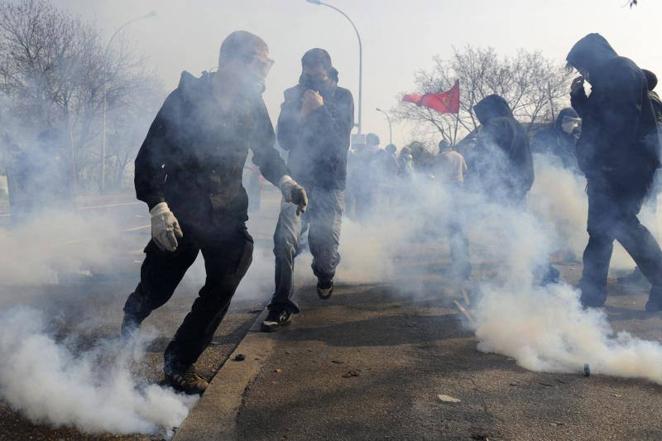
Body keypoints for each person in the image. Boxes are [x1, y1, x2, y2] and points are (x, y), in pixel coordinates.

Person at [120, 31, 308, 394]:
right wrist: (157, 206)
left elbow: (266, 151)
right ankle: (134, 312)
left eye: (267, 63)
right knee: (157, 288)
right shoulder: (185, 98)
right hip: (181, 212)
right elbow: (149, 157)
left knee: (227, 277)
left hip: (226, 212)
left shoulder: (251, 105)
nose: (263, 71)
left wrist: (284, 179)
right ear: (230, 61)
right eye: (258, 61)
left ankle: (180, 361)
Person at [566, 33, 662, 310]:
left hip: (623, 167)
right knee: (600, 231)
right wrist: (578, 99)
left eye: (582, 64)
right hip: (608, 168)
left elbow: (621, 123)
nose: (583, 72)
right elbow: (599, 120)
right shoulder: (610, 76)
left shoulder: (620, 69)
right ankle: (590, 299)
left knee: (622, 225)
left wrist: (609, 164)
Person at [263, 48, 354, 331]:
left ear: (328, 71)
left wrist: (320, 109)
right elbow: (285, 140)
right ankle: (281, 305)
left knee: (324, 248)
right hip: (299, 179)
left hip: (330, 181)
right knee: (284, 241)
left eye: (317, 73)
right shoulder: (292, 96)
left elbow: (340, 141)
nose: (311, 78)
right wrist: (302, 112)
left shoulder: (343, 96)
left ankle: (325, 275)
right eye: (306, 72)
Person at [468, 94, 534, 204]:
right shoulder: (518, 126)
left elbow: (482, 157)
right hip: (520, 189)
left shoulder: (496, 124)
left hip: (499, 191)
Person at [436, 141, 471, 280]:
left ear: (441, 148)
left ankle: (457, 262)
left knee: (452, 223)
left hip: (448, 186)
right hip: (459, 185)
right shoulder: (459, 156)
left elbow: (438, 173)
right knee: (459, 216)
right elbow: (466, 171)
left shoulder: (441, 157)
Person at [531, 108, 582, 173]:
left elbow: (575, 161)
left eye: (577, 122)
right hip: (548, 174)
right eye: (573, 122)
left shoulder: (573, 139)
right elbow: (535, 156)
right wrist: (551, 158)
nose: (575, 125)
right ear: (563, 121)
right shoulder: (544, 135)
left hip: (569, 177)